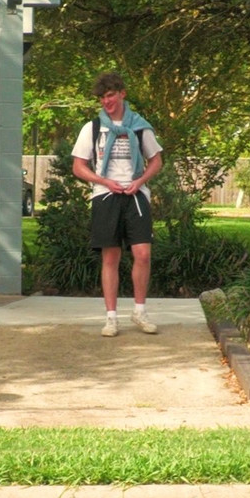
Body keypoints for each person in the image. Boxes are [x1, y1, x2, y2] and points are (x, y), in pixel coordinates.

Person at [71, 71, 164, 337]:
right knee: (110, 257)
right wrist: (103, 181)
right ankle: (111, 318)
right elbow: (78, 166)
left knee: (143, 254)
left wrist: (140, 180)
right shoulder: (93, 128)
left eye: (110, 95)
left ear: (122, 93)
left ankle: (140, 312)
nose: (106, 101)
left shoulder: (139, 126)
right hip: (105, 196)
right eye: (101, 97)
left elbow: (156, 159)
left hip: (136, 196)